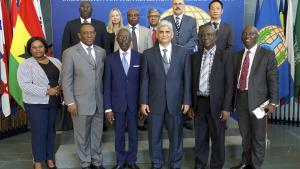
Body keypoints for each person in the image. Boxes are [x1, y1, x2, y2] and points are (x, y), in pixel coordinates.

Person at [140, 20, 192, 169]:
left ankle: (176, 164)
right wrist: (143, 102)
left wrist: (187, 101)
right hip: (154, 103)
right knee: (154, 137)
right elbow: (144, 79)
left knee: (176, 137)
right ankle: (156, 163)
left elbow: (186, 78)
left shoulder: (183, 52)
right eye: (161, 32)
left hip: (176, 103)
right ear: (156, 34)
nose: (164, 34)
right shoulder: (148, 54)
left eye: (167, 32)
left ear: (172, 34)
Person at [230, 26, 278, 169]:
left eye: (251, 33)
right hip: (241, 99)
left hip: (260, 103)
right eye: (244, 34)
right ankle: (246, 162)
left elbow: (273, 79)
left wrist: (273, 102)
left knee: (258, 136)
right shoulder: (236, 56)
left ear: (257, 36)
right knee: (245, 135)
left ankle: (256, 165)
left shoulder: (267, 54)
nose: (247, 36)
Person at [62, 23, 106, 169]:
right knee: (82, 136)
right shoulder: (70, 53)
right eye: (85, 33)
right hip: (79, 103)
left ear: (95, 34)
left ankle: (97, 162)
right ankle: (86, 163)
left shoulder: (101, 52)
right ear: (79, 35)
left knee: (97, 135)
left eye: (92, 33)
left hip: (98, 102)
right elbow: (66, 80)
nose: (89, 36)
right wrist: (70, 102)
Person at [189, 25, 233, 169]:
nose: (206, 38)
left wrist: (227, 108)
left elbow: (229, 84)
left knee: (218, 139)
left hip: (218, 104)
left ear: (216, 37)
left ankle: (216, 165)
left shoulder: (225, 56)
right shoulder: (195, 57)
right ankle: (200, 165)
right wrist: (190, 105)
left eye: (209, 35)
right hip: (200, 103)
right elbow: (191, 82)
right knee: (200, 137)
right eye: (203, 35)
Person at [17, 37, 62, 169]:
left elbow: (62, 78)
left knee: (50, 131)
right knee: (39, 132)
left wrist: (60, 88)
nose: (37, 50)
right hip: (36, 104)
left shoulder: (55, 61)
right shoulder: (25, 64)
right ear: (29, 49)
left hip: (54, 102)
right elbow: (25, 85)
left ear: (45, 48)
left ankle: (49, 158)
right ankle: (38, 162)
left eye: (40, 47)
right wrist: (47, 91)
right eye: (34, 47)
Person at [104, 28, 141, 169]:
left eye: (127, 37)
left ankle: (132, 161)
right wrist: (108, 108)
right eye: (121, 37)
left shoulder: (140, 57)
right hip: (116, 104)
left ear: (131, 40)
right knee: (119, 134)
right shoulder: (110, 59)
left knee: (133, 135)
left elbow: (142, 84)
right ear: (117, 40)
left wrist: (142, 104)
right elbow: (106, 85)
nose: (124, 40)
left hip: (134, 104)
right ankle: (120, 161)